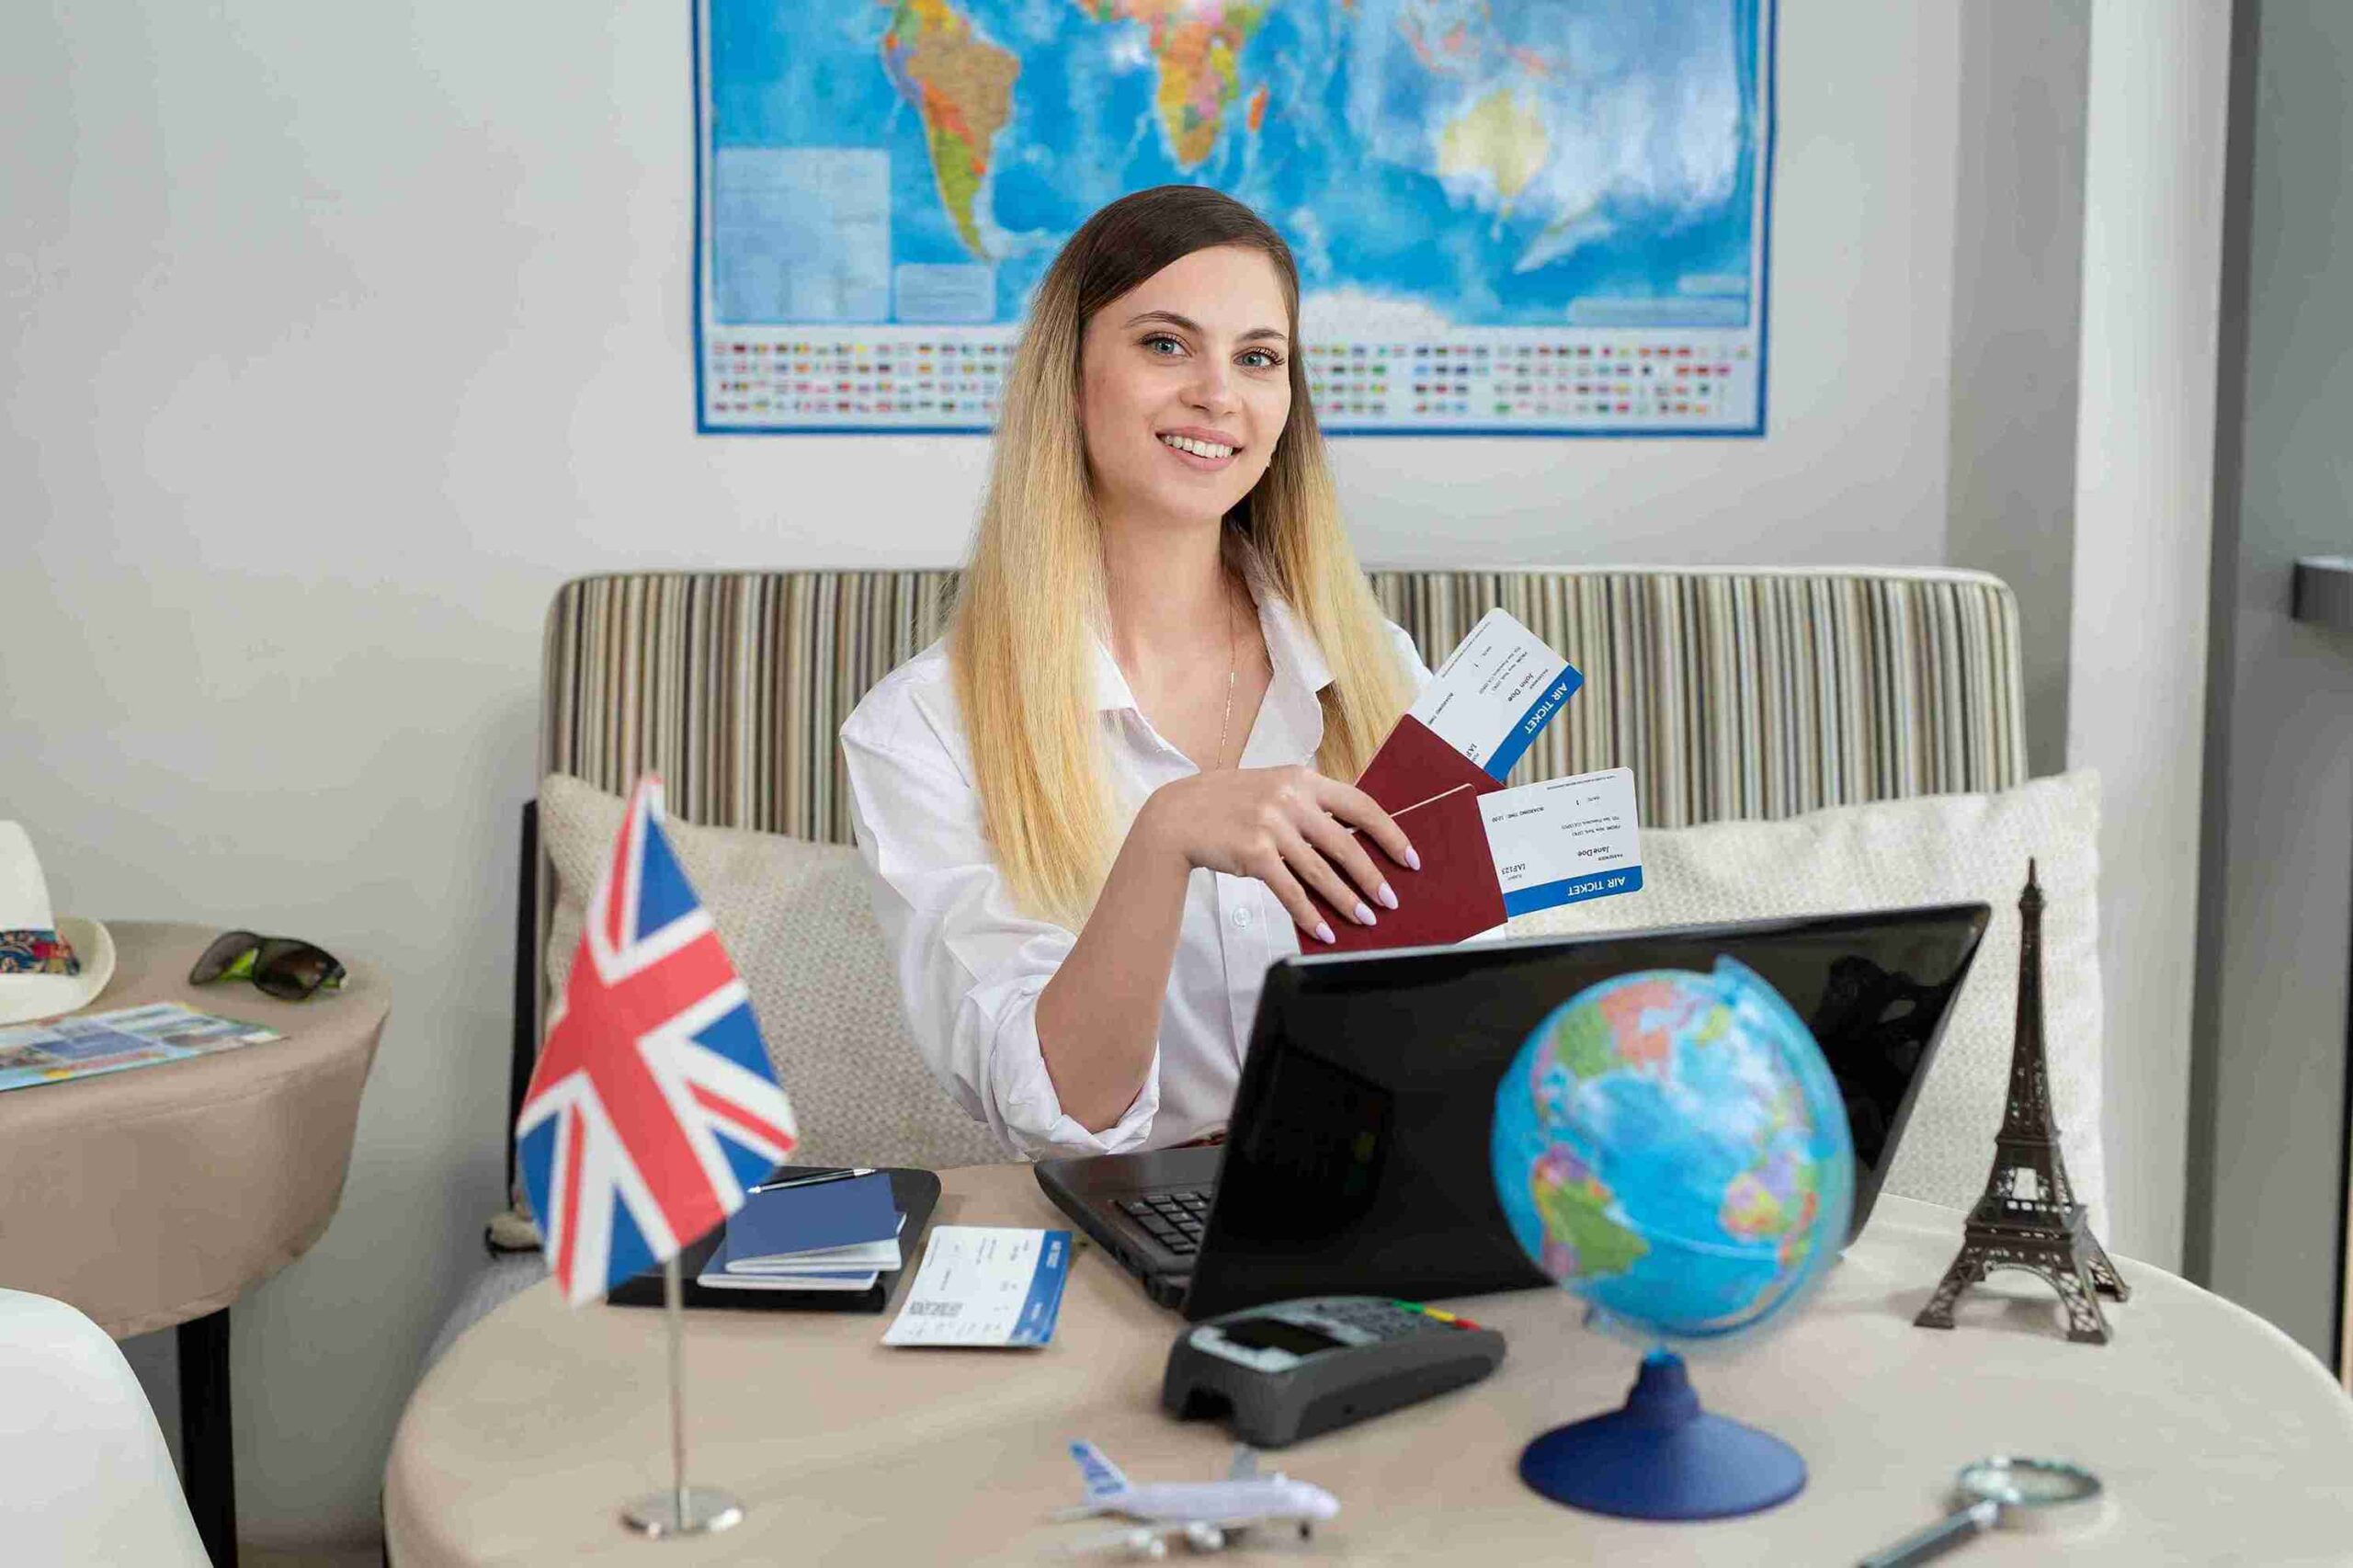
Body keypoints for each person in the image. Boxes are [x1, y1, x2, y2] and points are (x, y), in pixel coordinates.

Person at [842, 185, 1431, 1160]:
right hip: (1120, 1227)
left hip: (1383, 1192)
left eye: (1257, 357)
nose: (1218, 393)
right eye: (1166, 344)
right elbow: (1056, 1104)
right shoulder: (920, 729)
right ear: (1069, 379)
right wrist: (1164, 837)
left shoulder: (1382, 673)